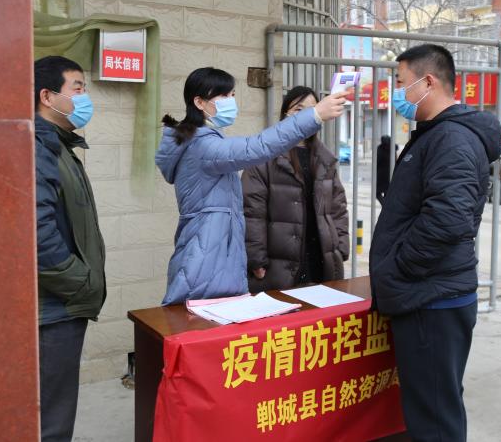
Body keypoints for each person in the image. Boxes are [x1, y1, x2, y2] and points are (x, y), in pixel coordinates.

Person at [369, 45, 501, 442]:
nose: (396, 93)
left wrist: (399, 268)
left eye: (400, 83)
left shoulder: (451, 139)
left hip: (431, 297)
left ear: (427, 82)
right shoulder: (438, 134)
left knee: (435, 421)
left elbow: (447, 220)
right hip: (429, 292)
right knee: (433, 408)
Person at [155, 68, 347, 305]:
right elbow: (256, 148)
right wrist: (314, 115)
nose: (231, 101)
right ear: (199, 102)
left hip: (213, 255)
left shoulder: (204, 140)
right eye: (224, 96)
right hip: (205, 260)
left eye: (233, 95)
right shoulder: (202, 146)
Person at [33, 56, 106, 442]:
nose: (84, 97)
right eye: (77, 88)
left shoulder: (59, 146)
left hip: (60, 306)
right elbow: (36, 232)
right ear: (47, 96)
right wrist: (79, 282)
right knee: (52, 424)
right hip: (54, 309)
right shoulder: (39, 147)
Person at [242, 86, 349, 293]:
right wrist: (256, 258)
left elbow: (338, 208)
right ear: (285, 114)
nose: (307, 116)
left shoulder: (325, 159)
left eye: (312, 109)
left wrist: (340, 247)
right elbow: (252, 211)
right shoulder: (264, 156)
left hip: (321, 260)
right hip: (278, 266)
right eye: (299, 110)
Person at [375, 135, 398, 204]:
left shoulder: (380, 149)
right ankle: (386, 206)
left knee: (377, 193)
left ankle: (385, 206)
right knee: (387, 193)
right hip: (391, 174)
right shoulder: (393, 149)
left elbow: (377, 161)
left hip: (381, 175)